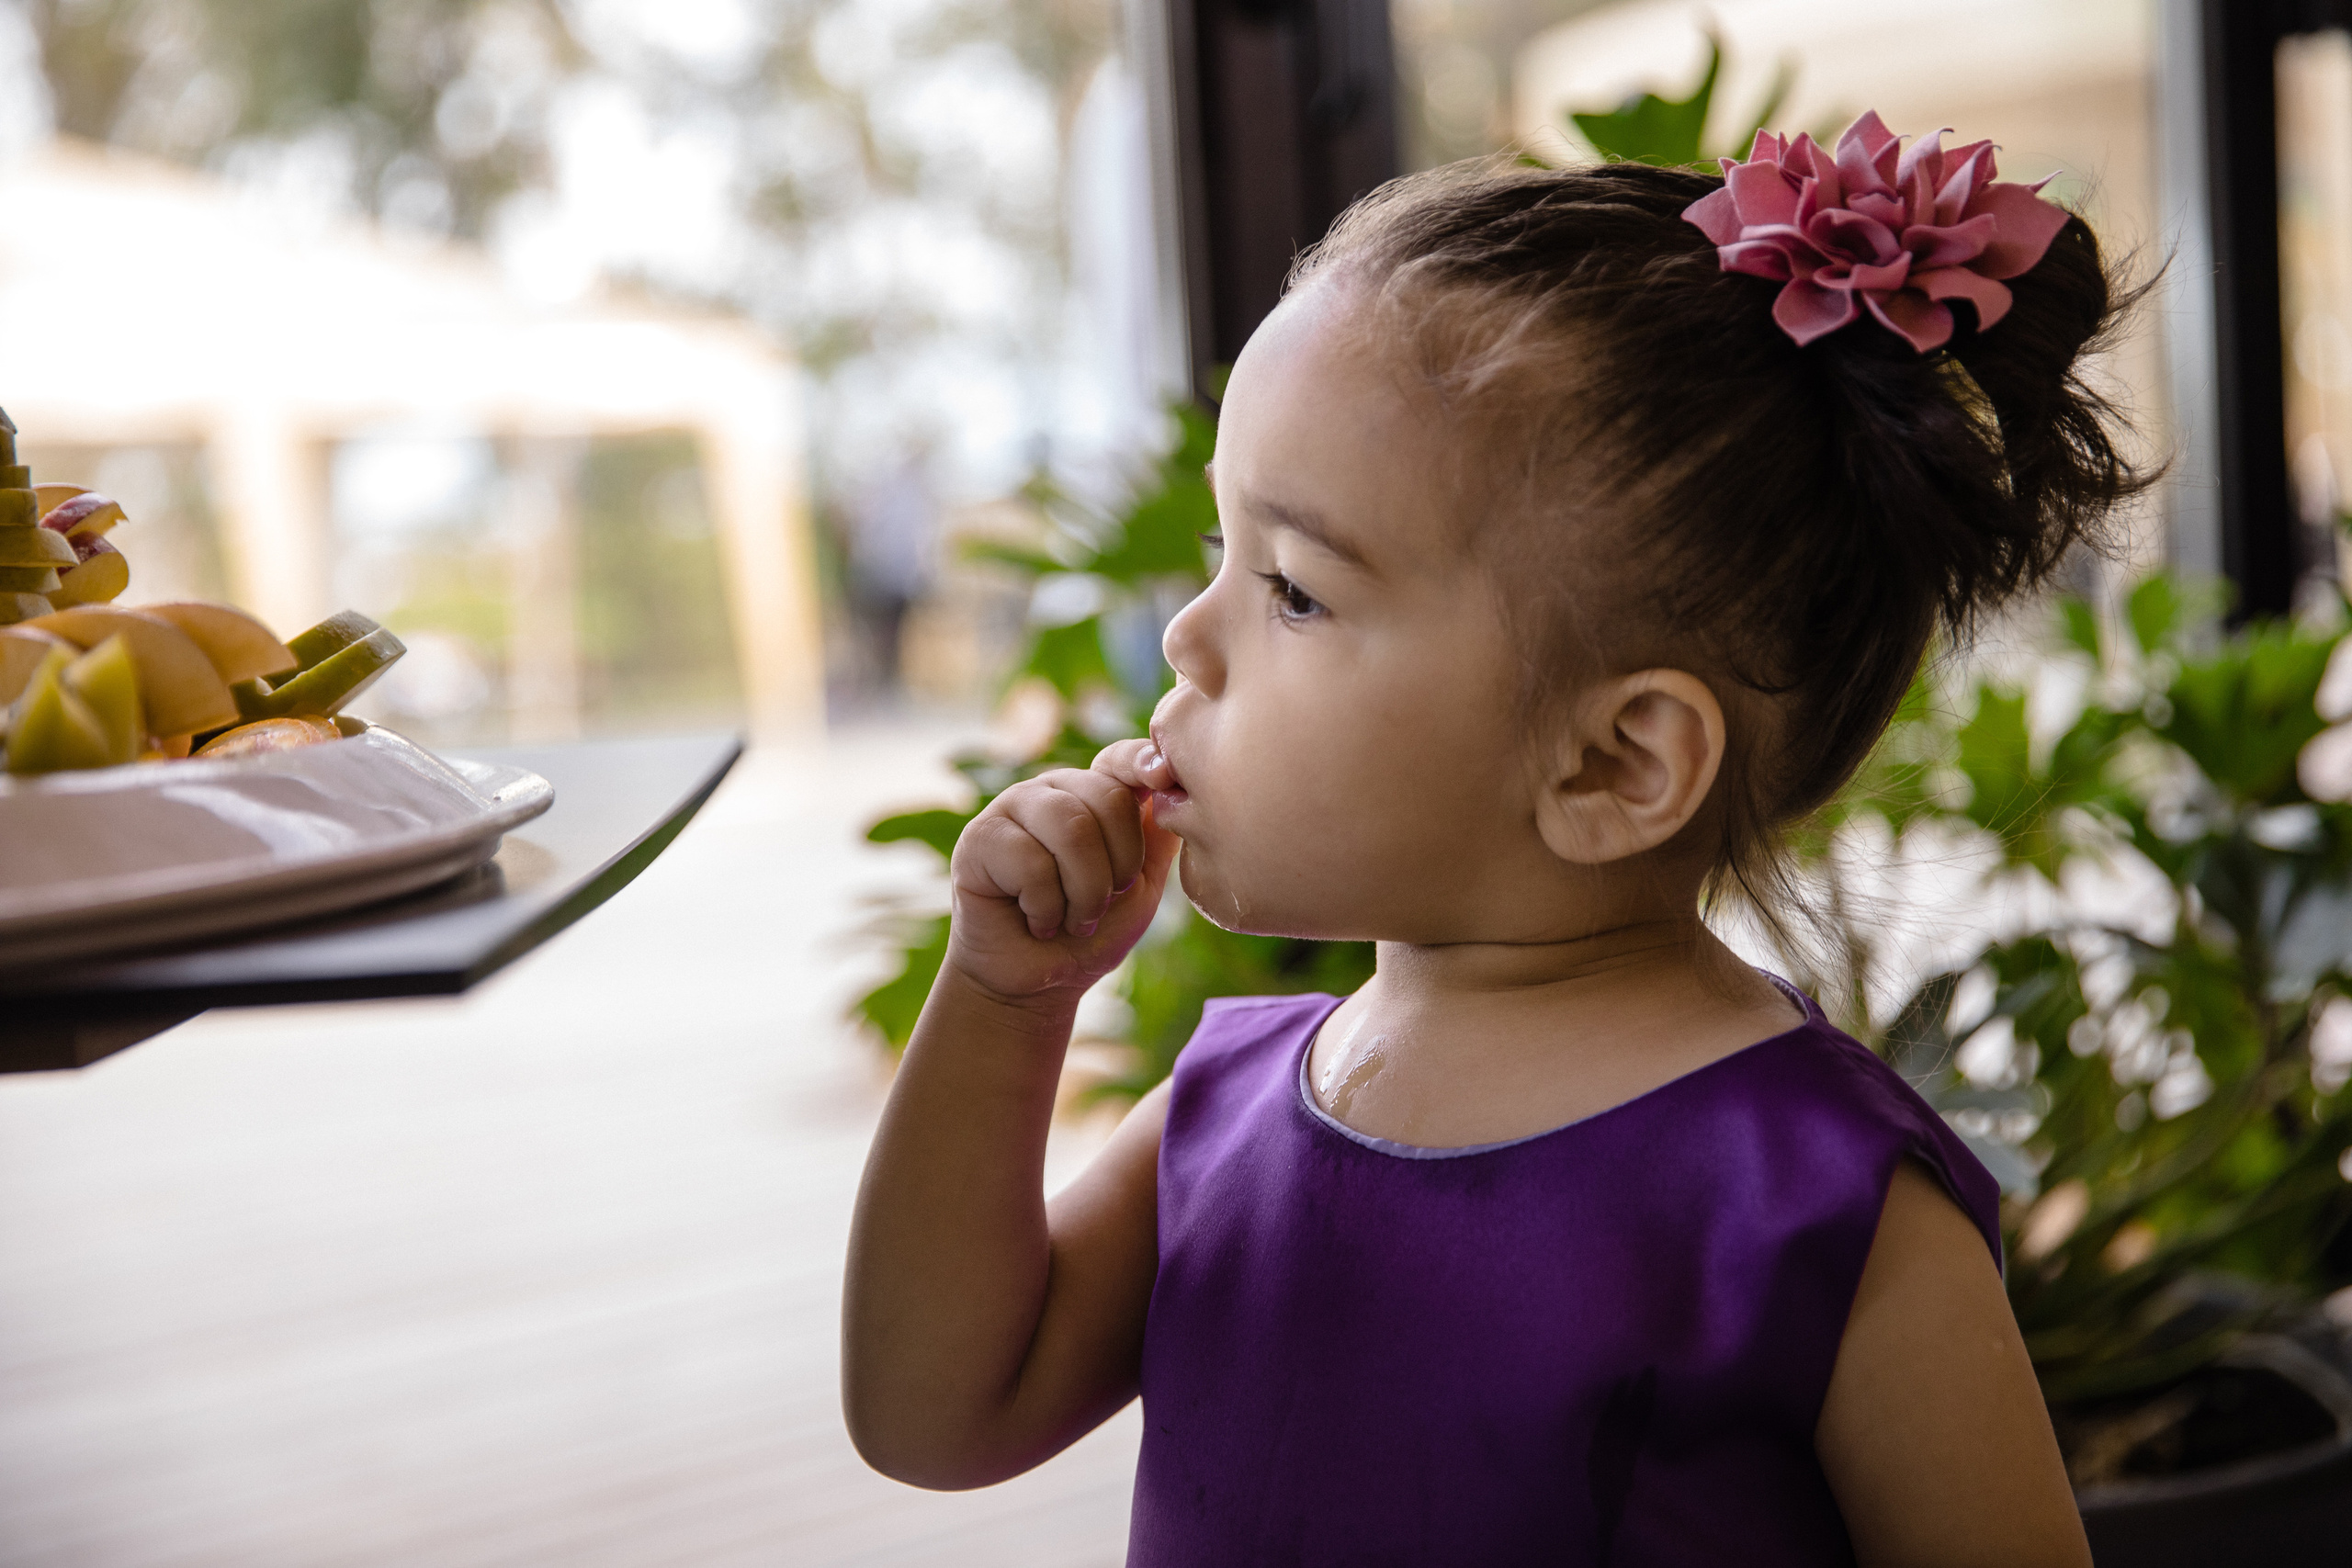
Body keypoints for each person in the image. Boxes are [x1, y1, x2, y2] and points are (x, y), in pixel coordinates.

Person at [844, 113, 2139, 1566]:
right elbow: (933, 1413)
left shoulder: (1810, 1213)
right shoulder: (1229, 1115)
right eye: (1222, 552)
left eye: (1294, 589)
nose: (1188, 635)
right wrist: (1004, 1005)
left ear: (1613, 762)